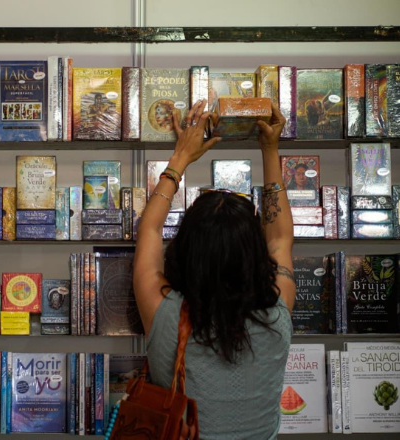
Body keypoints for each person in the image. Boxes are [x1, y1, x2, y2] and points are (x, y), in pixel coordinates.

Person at [133, 100, 295, 439]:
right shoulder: (278, 308)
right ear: (254, 251)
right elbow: (280, 237)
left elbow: (149, 229)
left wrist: (180, 158)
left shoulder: (162, 310)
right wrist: (270, 148)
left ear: (186, 248)